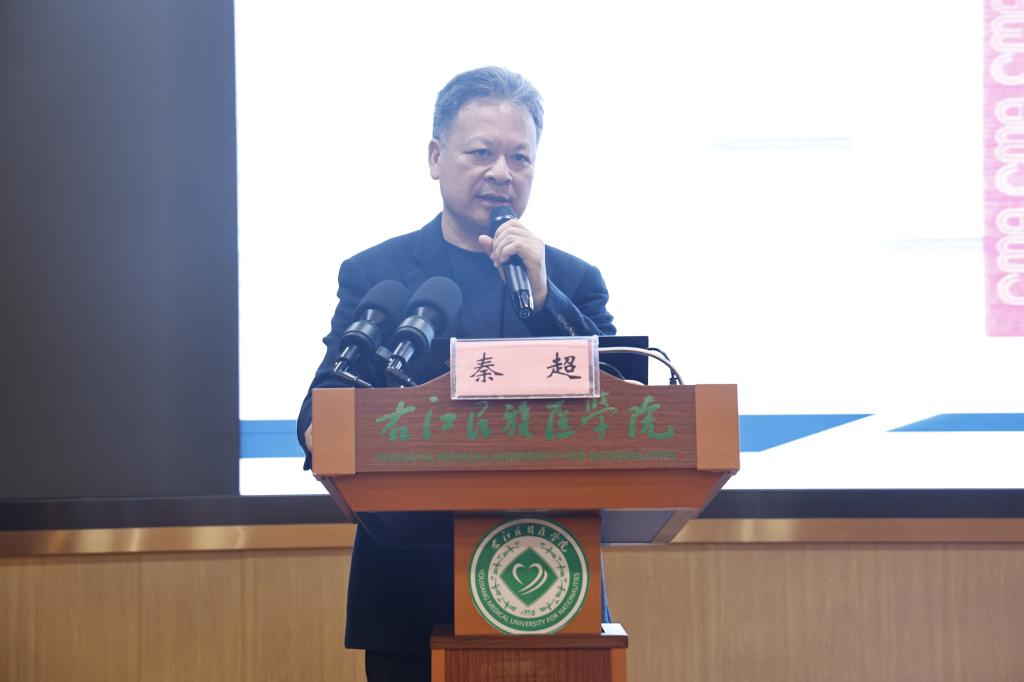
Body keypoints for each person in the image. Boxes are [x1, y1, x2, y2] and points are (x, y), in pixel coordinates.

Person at [296, 66, 615, 682]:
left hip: (553, 584)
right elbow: (321, 411)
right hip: (412, 595)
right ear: (436, 158)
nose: (501, 172)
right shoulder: (378, 276)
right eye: (481, 152)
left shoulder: (571, 281)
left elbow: (628, 401)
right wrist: (323, 432)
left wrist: (546, 299)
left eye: (520, 157)